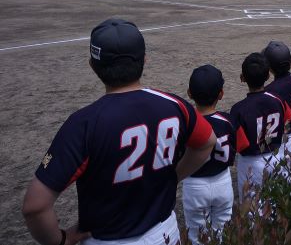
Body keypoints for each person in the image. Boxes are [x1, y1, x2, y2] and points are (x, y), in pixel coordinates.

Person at [22, 19, 216, 245]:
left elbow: (35, 206)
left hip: (107, 239)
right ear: (144, 59)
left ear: (93, 66)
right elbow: (206, 142)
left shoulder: (83, 123)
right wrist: (173, 177)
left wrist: (62, 239)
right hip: (165, 233)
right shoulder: (174, 105)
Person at [183, 65, 249, 245]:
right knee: (221, 231)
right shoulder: (229, 121)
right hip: (222, 181)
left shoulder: (186, 123)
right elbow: (242, 145)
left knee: (196, 235)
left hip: (194, 185)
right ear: (221, 94)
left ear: (189, 93)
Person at [230, 52, 291, 201]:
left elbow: (240, 145)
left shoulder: (238, 109)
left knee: (251, 206)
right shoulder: (278, 99)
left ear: (242, 78)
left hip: (250, 163)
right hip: (275, 157)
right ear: (268, 76)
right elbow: (288, 120)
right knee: (276, 202)